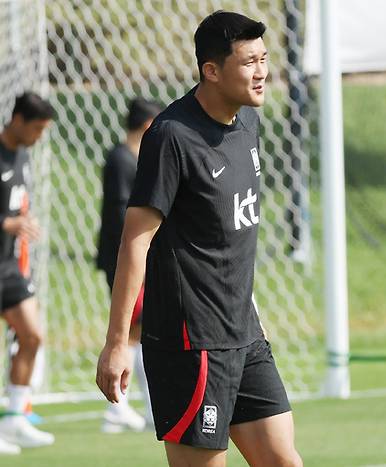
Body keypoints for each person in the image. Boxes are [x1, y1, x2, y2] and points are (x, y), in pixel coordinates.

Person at [96, 10, 303, 467]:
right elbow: (136, 241)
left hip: (245, 335)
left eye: (264, 59)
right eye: (248, 62)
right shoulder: (170, 136)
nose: (262, 72)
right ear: (211, 70)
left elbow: (224, 240)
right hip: (192, 346)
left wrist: (250, 310)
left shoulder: (247, 123)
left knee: (284, 461)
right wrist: (116, 343)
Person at [97, 97, 162, 432]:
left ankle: (136, 407)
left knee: (139, 330)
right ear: (150, 125)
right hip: (122, 258)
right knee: (134, 330)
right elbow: (123, 213)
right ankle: (119, 408)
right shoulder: (121, 159)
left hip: (133, 256)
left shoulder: (130, 158)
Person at [0, 92, 56, 453]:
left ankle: (16, 419)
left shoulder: (22, 154)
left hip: (7, 267)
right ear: (17, 119)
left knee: (32, 336)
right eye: (36, 128)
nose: (38, 136)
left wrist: (24, 222)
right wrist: (9, 224)